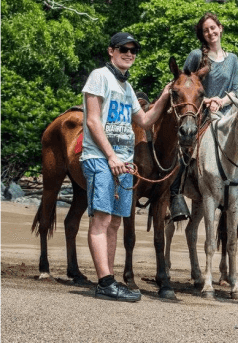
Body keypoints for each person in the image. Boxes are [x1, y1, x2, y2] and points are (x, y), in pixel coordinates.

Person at [81, 32, 171, 301]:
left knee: (116, 222)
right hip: (101, 158)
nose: (130, 54)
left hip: (125, 162)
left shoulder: (127, 88)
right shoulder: (99, 76)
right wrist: (110, 156)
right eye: (124, 49)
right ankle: (105, 282)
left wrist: (165, 97)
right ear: (111, 51)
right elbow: (94, 122)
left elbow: (144, 121)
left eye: (134, 50)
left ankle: (109, 281)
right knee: (102, 218)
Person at [169, 12, 238, 221]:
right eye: (206, 30)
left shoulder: (233, 59)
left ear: (220, 28)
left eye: (213, 28)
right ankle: (176, 194)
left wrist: (221, 101)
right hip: (200, 114)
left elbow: (235, 90)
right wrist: (208, 100)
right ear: (202, 35)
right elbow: (185, 84)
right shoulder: (195, 56)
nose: (210, 32)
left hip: (226, 113)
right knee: (186, 149)